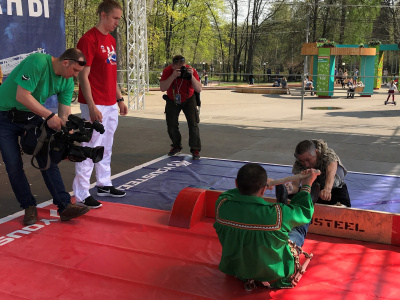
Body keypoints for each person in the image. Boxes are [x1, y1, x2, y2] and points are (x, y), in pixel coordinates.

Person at [0, 48, 90, 225]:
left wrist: (67, 137)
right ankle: (29, 207)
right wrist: (49, 116)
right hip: (3, 117)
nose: (75, 76)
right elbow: (22, 96)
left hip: (31, 116)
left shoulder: (67, 82)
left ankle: (64, 207)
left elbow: (64, 115)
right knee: (13, 165)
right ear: (66, 62)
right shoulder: (38, 61)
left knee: (48, 157)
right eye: (75, 71)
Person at [213, 163, 320, 289]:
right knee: (298, 229)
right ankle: (296, 200)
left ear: (236, 184)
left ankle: (284, 203)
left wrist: (252, 185)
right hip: (274, 278)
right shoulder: (276, 213)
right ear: (264, 189)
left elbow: (227, 194)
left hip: (239, 273)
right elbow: (304, 211)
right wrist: (307, 185)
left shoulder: (222, 205)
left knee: (284, 222)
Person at [73, 0, 128, 209]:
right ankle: (81, 193)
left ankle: (104, 183)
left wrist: (119, 98)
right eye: (115, 18)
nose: (117, 22)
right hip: (94, 104)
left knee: (106, 145)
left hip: (110, 102)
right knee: (89, 147)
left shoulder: (111, 40)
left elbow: (111, 74)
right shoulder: (88, 39)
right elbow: (83, 76)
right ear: (103, 15)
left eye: (119, 19)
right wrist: (92, 105)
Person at [160, 55, 202, 159]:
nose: (180, 68)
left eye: (182, 66)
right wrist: (173, 76)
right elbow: (162, 88)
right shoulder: (168, 71)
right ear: (173, 66)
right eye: (177, 66)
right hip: (172, 98)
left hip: (189, 98)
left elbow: (199, 89)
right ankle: (176, 145)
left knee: (193, 124)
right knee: (171, 124)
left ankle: (195, 148)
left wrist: (191, 76)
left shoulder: (190, 70)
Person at [286, 139, 351, 207]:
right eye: (302, 161)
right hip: (313, 189)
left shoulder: (328, 155)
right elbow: (295, 185)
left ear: (316, 152)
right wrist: (290, 188)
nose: (306, 164)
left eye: (308, 160)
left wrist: (327, 190)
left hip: (333, 188)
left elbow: (330, 175)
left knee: (344, 205)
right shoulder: (299, 162)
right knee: (288, 196)